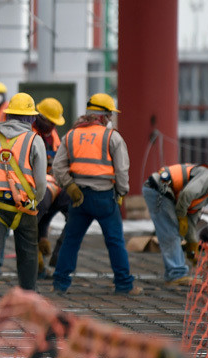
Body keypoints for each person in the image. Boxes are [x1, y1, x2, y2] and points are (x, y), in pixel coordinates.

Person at [51, 93, 141, 296]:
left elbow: (58, 166)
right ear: (102, 116)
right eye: (109, 115)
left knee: (71, 240)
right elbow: (122, 170)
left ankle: (60, 283)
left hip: (78, 197)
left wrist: (70, 186)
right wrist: (121, 192)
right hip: (104, 196)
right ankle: (124, 285)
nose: (110, 119)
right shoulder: (112, 137)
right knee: (115, 241)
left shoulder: (71, 135)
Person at [0, 93, 46, 313]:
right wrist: (36, 201)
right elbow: (41, 181)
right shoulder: (34, 140)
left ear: (8, 115)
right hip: (24, 206)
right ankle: (28, 301)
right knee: (27, 252)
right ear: (29, 118)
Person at [144, 164, 208, 285]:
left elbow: (191, 224)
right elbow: (186, 194)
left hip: (162, 190)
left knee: (173, 232)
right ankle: (176, 274)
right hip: (158, 188)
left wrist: (192, 245)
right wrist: (181, 216)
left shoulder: (206, 195)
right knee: (170, 232)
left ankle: (174, 273)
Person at [33, 98, 69, 279]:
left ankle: (58, 258)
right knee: (35, 215)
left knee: (76, 211)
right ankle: (34, 263)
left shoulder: (53, 135)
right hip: (35, 187)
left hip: (54, 186)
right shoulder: (28, 133)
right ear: (39, 117)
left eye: (54, 123)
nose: (52, 126)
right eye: (50, 122)